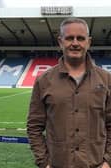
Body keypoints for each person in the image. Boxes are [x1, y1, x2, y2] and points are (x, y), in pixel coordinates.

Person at [27, 18, 111, 168]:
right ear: (60, 42)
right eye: (69, 38)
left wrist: (108, 161)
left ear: (89, 42)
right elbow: (34, 126)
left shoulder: (106, 79)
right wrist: (44, 162)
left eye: (80, 38)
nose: (75, 43)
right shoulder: (43, 81)